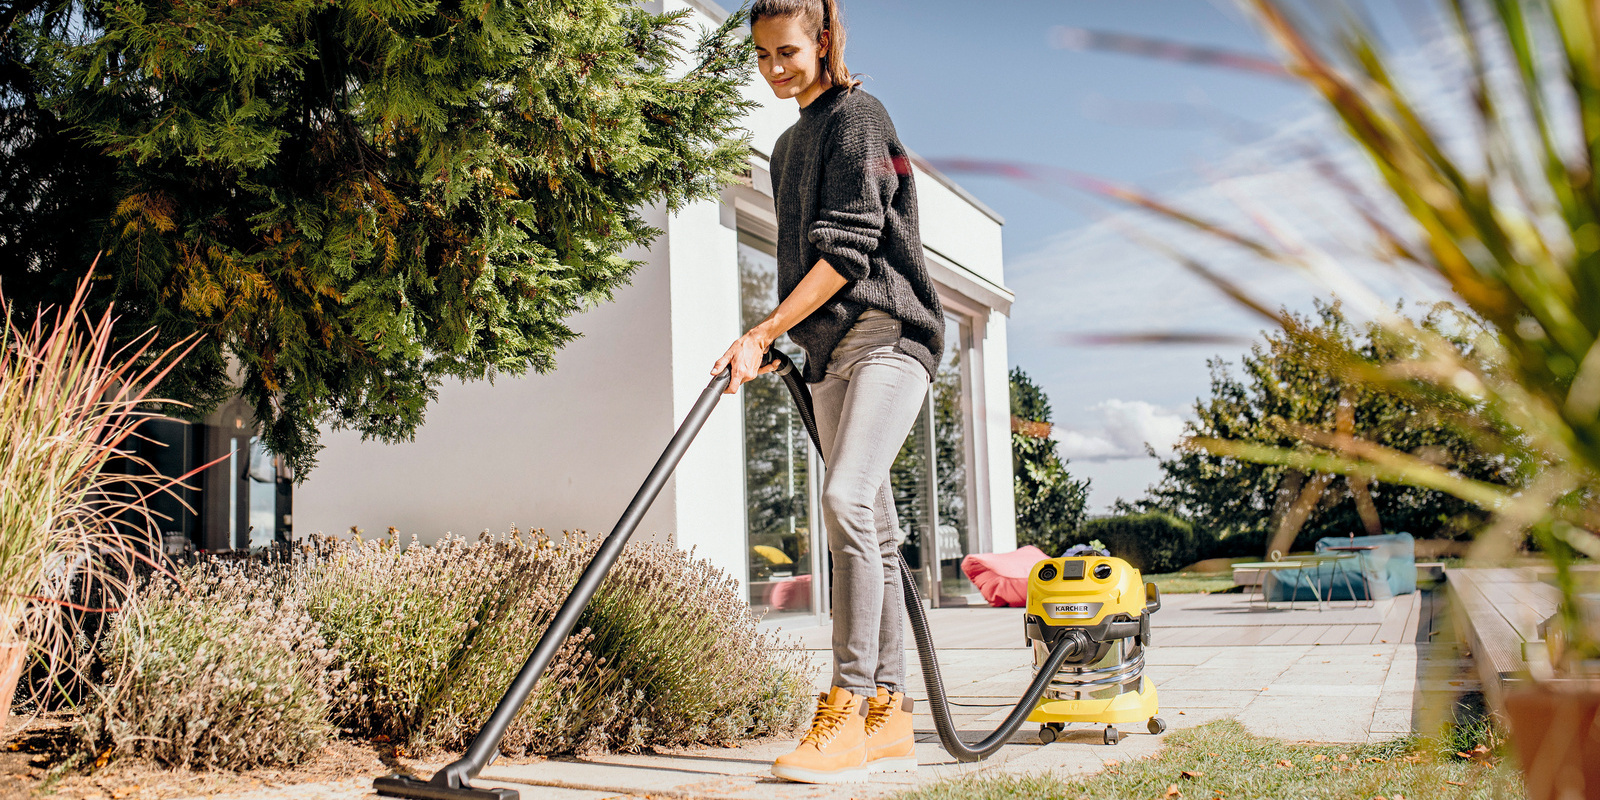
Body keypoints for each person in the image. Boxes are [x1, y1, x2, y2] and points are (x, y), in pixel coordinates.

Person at [710, 0, 945, 785]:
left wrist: (764, 327)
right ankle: (891, 715)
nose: (775, 68)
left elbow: (847, 253)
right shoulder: (787, 146)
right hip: (832, 351)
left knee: (844, 501)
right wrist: (786, 341)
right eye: (762, 55)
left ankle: (848, 704)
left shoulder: (859, 119)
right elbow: (802, 267)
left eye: (787, 51)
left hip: (890, 338)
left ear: (823, 41)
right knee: (871, 527)